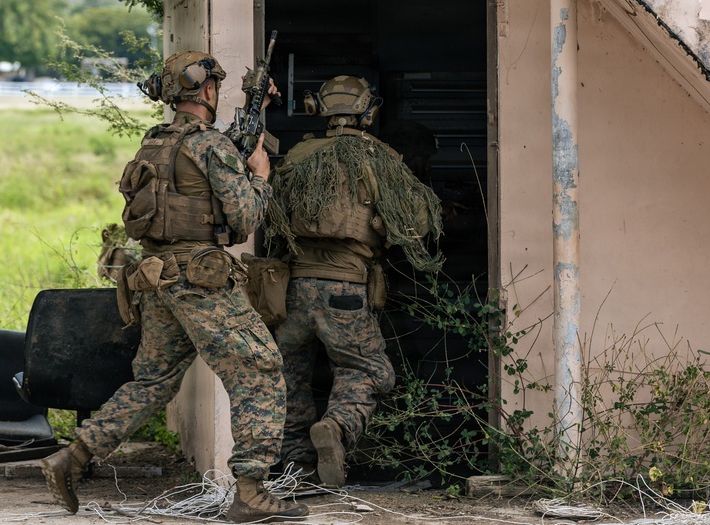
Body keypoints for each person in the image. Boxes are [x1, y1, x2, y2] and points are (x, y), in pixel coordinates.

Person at [40, 51, 308, 523]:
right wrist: (261, 178)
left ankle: (72, 458)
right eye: (215, 88)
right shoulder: (211, 146)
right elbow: (244, 218)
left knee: (154, 380)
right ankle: (251, 492)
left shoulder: (155, 142)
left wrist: (255, 111)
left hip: (157, 276)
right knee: (261, 368)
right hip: (200, 279)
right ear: (206, 91)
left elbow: (192, 182)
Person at [265, 75, 444, 488]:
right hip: (345, 289)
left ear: (318, 109)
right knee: (367, 369)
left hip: (291, 288)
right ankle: (338, 427)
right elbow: (415, 224)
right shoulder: (379, 158)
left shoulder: (297, 155)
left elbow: (268, 212)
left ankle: (298, 465)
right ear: (368, 111)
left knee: (288, 373)